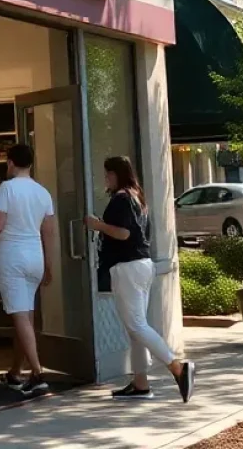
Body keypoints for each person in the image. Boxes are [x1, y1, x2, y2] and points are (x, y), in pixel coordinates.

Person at [85, 156, 195, 403]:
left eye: (107, 175)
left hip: (128, 268)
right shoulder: (137, 197)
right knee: (136, 329)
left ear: (116, 174)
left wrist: (97, 225)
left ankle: (177, 368)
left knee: (136, 326)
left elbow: (123, 233)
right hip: (143, 266)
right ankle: (140, 383)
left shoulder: (121, 199)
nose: (106, 179)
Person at [0, 143, 55, 398]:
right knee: (26, 316)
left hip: (12, 256)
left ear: (10, 162)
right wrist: (49, 264)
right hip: (35, 254)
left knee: (19, 316)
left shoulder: (7, 188)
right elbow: (49, 231)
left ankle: (37, 374)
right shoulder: (43, 192)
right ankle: (16, 372)